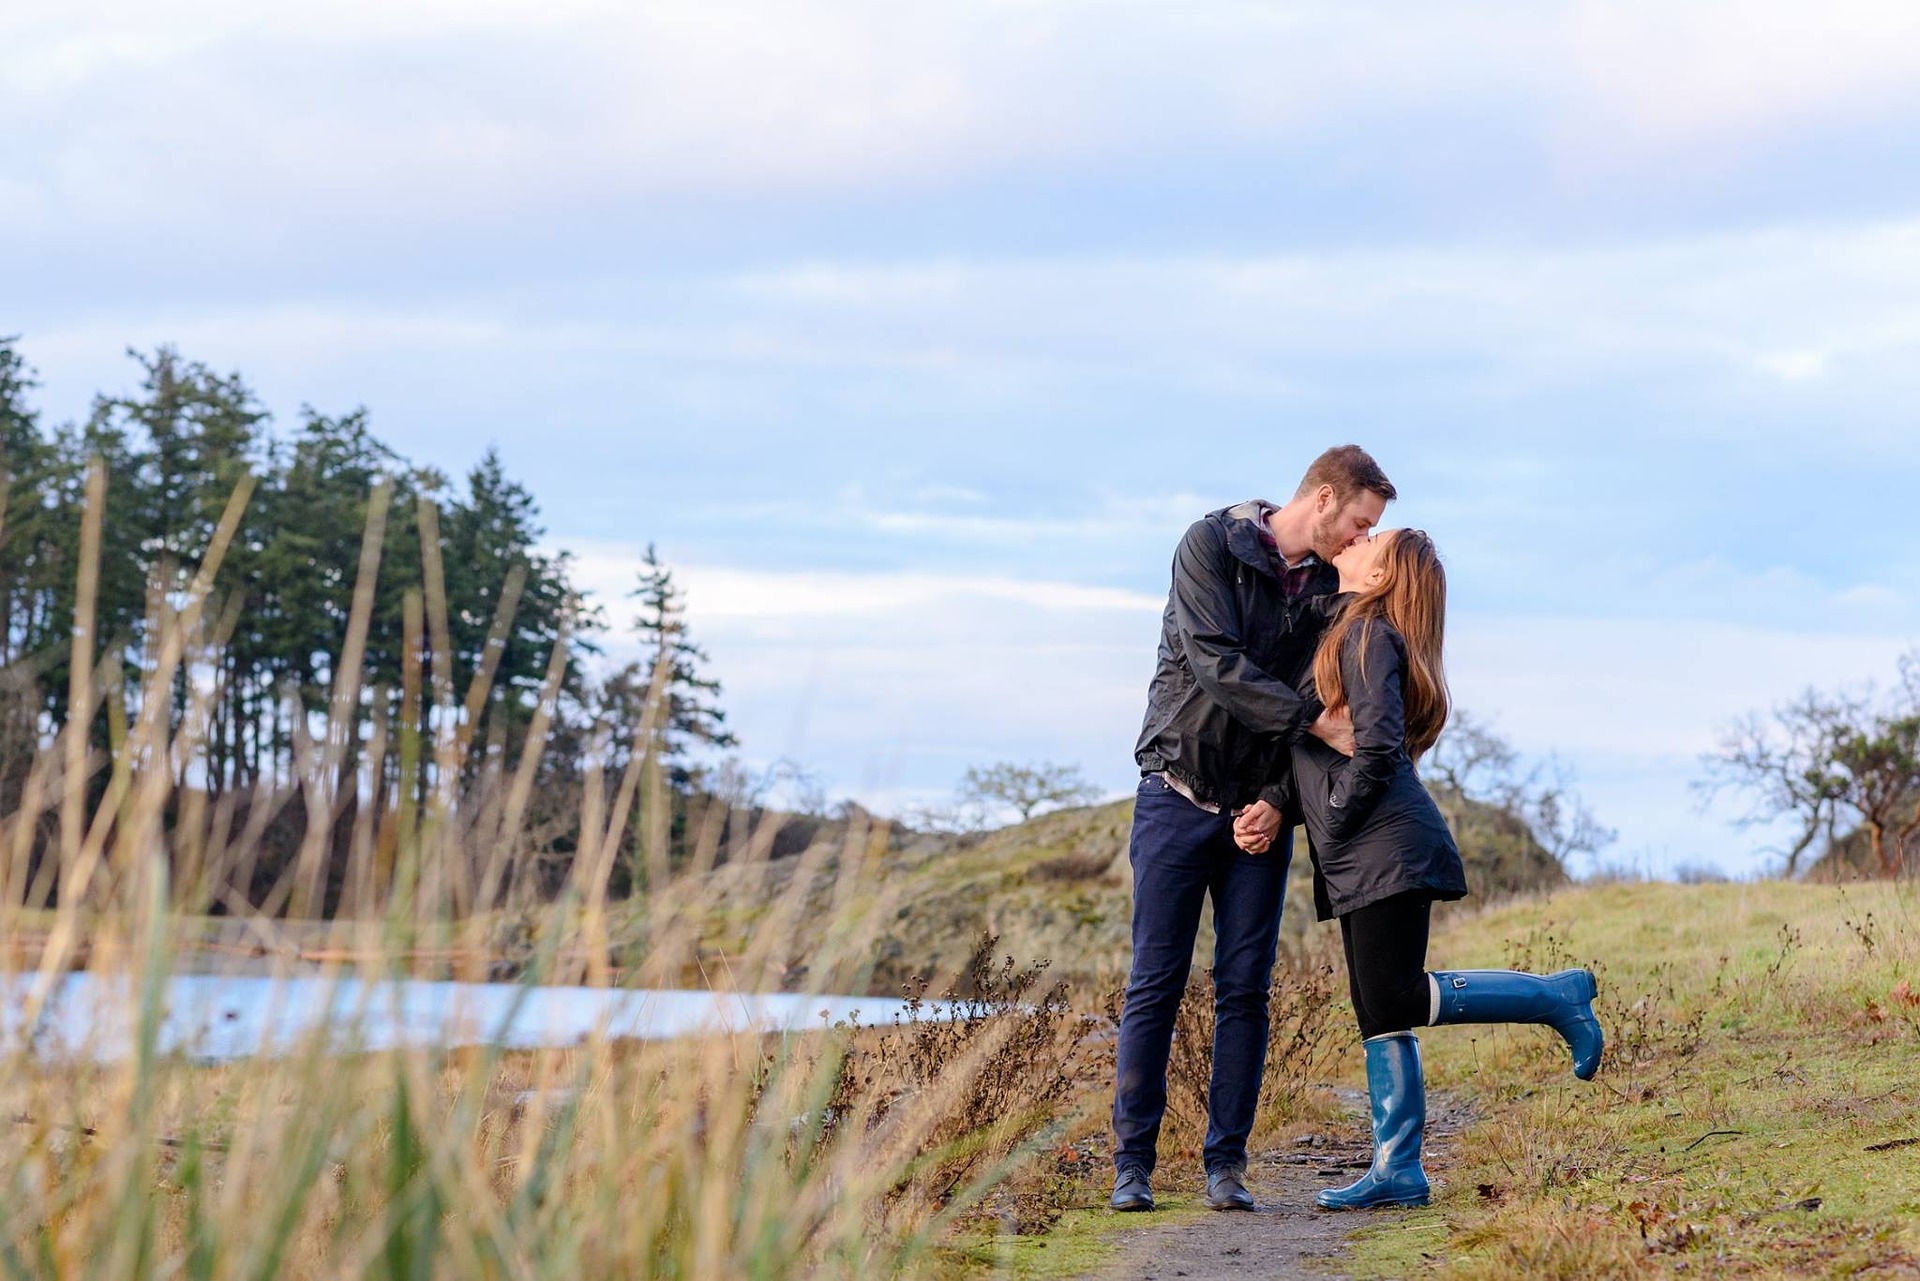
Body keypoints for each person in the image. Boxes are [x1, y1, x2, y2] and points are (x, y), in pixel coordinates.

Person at [1260, 528, 1603, 1212]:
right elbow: (1326, 752)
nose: (1356, 538)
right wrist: (1277, 804)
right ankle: (1398, 1167)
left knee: (1395, 994)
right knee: (1376, 1006)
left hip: (1385, 844)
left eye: (1371, 537)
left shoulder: (1368, 636)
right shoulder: (1350, 632)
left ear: (1384, 573)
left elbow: (1379, 746)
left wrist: (1335, 806)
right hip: (1362, 852)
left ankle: (1554, 997)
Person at [1111, 445, 1394, 1215]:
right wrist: (1308, 719)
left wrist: (1277, 799)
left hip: (1257, 819)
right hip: (1174, 796)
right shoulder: (1211, 544)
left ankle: (1225, 1166)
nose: (1361, 541)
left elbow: (1321, 700)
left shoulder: (1332, 597)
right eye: (1361, 523)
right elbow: (1215, 663)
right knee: (1155, 985)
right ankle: (1131, 1166)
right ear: (1325, 499)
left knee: (1245, 990)